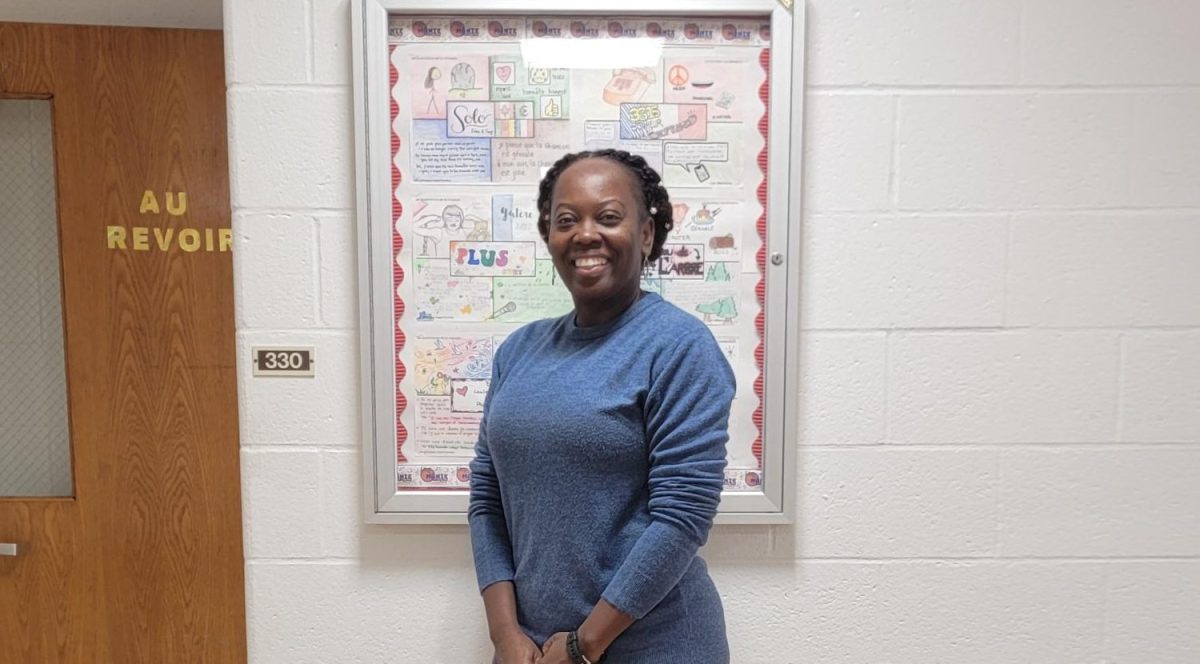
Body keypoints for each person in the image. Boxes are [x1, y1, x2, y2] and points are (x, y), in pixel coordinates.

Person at [468, 149, 735, 664]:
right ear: (549, 237)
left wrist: (583, 645)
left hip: (655, 646)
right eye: (566, 220)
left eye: (608, 217)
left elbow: (682, 516)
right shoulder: (518, 352)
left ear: (647, 235)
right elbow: (487, 497)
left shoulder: (678, 346)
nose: (585, 234)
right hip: (534, 648)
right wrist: (504, 634)